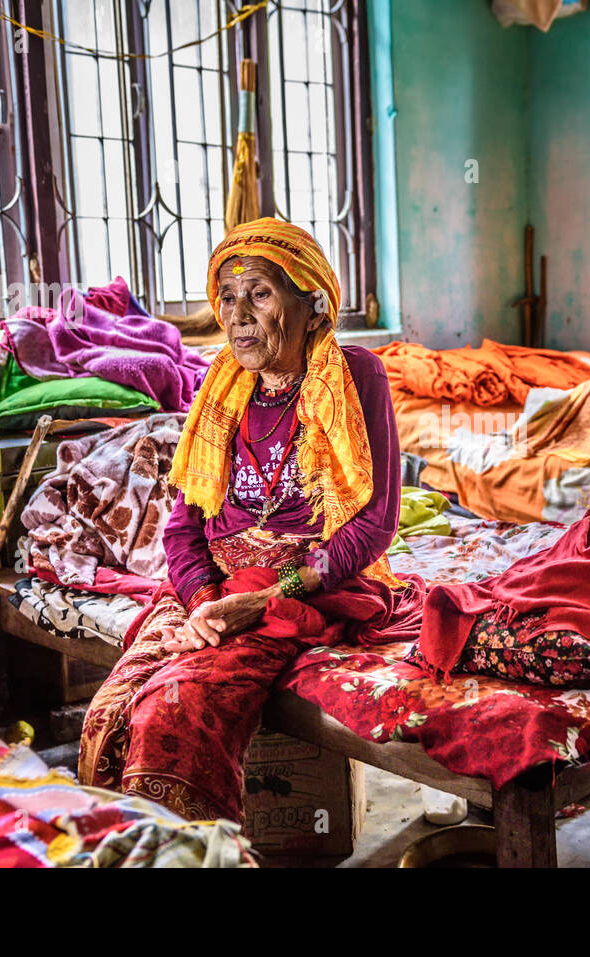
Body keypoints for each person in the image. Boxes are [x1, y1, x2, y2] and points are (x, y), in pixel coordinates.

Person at [80, 219, 417, 822]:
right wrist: (207, 603)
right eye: (228, 298)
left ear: (312, 306)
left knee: (171, 714)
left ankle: (200, 858)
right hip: (214, 593)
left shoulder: (356, 375)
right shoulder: (222, 389)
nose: (238, 315)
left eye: (259, 294)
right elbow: (183, 528)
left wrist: (261, 601)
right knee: (109, 715)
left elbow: (373, 523)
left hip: (304, 590)